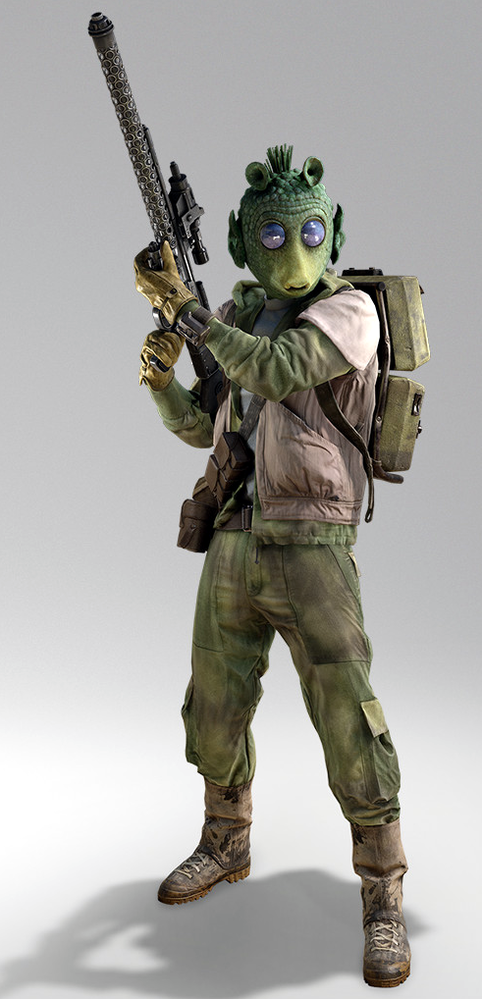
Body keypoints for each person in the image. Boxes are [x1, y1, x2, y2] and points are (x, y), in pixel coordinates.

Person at [134, 145, 410, 988]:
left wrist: (190, 314)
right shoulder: (242, 317)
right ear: (243, 244)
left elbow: (281, 369)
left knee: (348, 718)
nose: (293, 251)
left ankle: (383, 893)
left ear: (334, 234)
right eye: (273, 236)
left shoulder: (351, 313)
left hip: (314, 546)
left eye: (309, 232)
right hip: (235, 534)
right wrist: (163, 381)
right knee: (213, 703)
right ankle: (226, 839)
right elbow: (208, 423)